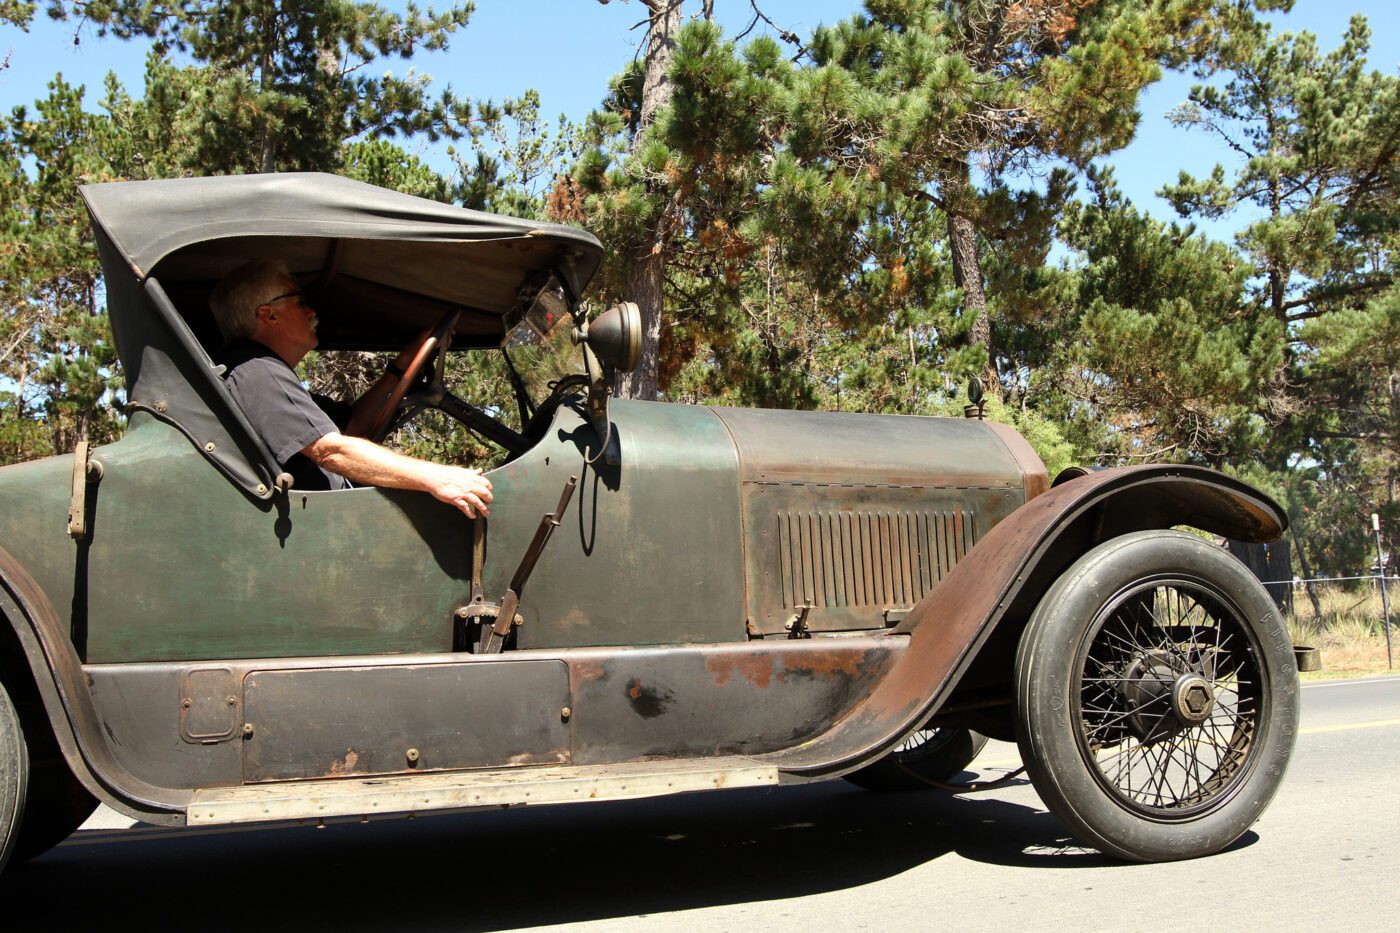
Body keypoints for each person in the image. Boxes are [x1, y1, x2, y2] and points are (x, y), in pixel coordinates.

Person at [209, 259, 493, 518]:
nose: (310, 311)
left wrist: (402, 366)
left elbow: (352, 426)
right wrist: (437, 477)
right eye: (299, 302)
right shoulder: (256, 369)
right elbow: (330, 451)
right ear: (268, 315)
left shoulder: (261, 371)